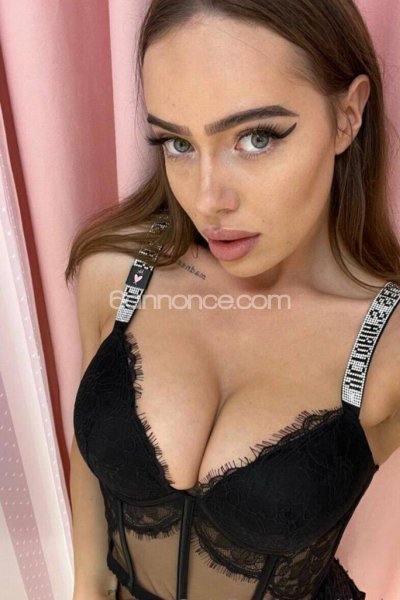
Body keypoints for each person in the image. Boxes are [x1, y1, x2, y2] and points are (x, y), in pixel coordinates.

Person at [66, 1, 400, 599]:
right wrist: (84, 587)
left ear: (347, 116)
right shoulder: (116, 277)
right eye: (176, 143)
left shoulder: (389, 344)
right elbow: (88, 465)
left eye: (256, 137)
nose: (207, 199)